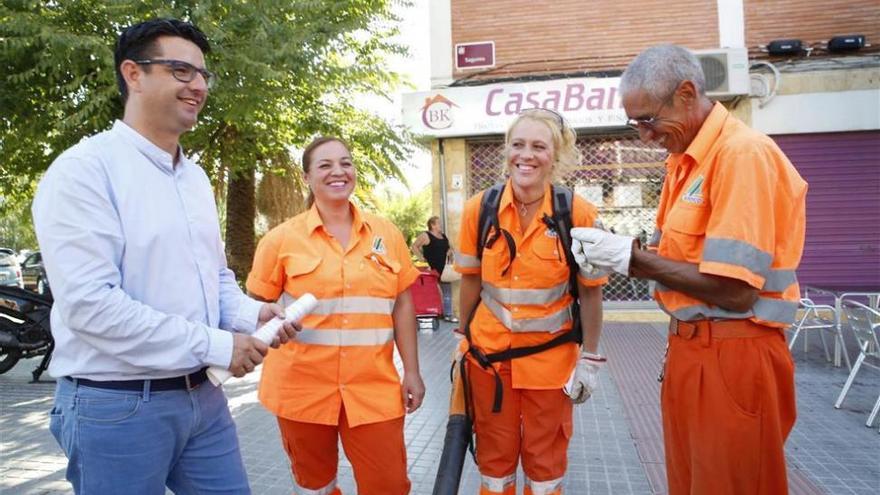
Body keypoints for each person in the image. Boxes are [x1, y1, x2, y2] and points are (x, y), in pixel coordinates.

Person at [31, 19, 298, 494]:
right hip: (116, 408)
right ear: (133, 74)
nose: (197, 85)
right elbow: (92, 306)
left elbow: (213, 279)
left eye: (201, 75)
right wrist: (220, 346)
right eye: (180, 70)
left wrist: (253, 312)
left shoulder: (193, 178)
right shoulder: (84, 172)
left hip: (204, 400)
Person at [570, 45, 807, 495]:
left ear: (686, 94)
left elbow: (736, 292)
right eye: (634, 123)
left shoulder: (741, 155)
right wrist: (628, 251)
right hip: (693, 352)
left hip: (735, 355)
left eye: (648, 120)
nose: (643, 135)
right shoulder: (685, 162)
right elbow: (682, 259)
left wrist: (631, 259)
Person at [246, 136, 426, 495]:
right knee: (315, 486)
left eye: (345, 163)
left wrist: (414, 372)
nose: (338, 172)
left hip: (373, 388)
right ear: (307, 178)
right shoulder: (280, 240)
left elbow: (403, 305)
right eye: (325, 165)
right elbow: (254, 309)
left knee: (389, 485)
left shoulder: (386, 235)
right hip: (302, 390)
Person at [454, 109, 607, 495]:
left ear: (555, 156)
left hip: (550, 367)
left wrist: (589, 357)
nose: (527, 155)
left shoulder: (579, 213)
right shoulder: (479, 210)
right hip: (489, 363)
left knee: (545, 467)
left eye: (539, 146)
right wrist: (463, 340)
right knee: (494, 465)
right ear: (506, 151)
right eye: (518, 144)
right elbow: (470, 285)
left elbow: (590, 291)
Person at [411, 216, 459, 322]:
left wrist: (450, 251)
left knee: (447, 291)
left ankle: (447, 315)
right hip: (432, 268)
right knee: (434, 292)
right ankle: (436, 313)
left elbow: (450, 247)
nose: (440, 225)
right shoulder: (426, 235)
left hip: (444, 268)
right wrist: (421, 258)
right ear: (432, 225)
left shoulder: (443, 236)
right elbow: (414, 246)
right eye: (438, 223)